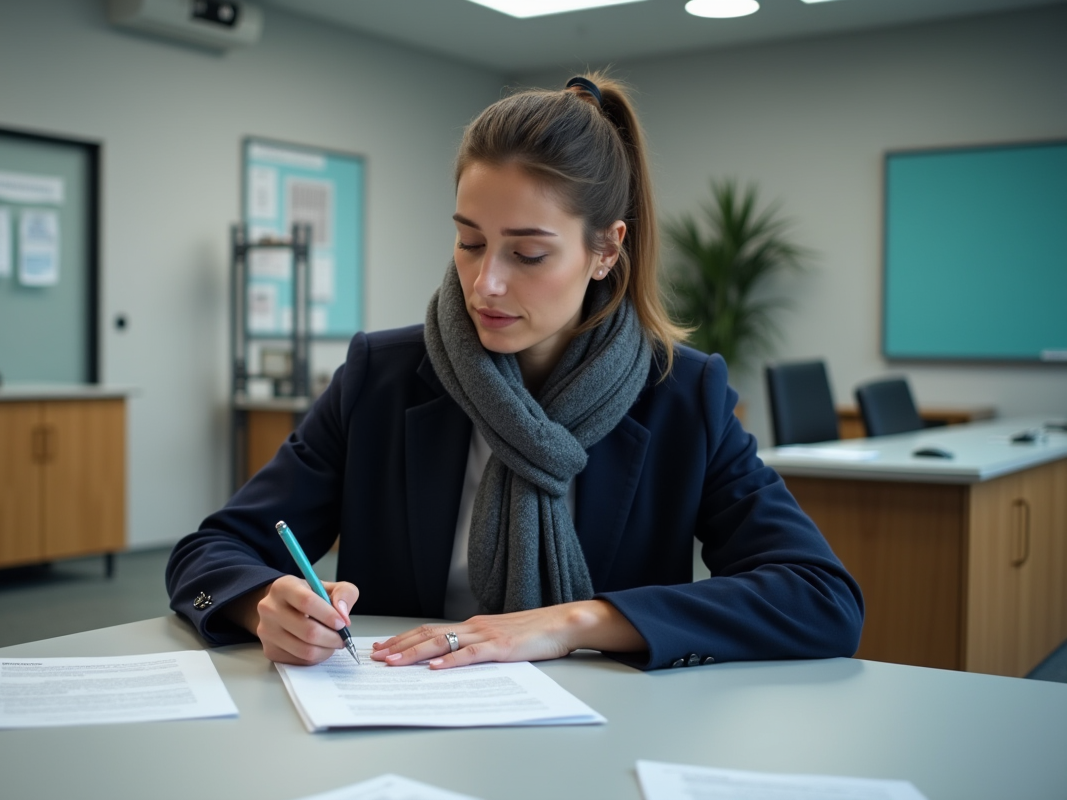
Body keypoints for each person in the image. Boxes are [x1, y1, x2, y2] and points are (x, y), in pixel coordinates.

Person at [166, 74, 863, 672]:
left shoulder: (683, 395)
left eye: (527, 254)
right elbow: (209, 554)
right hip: (400, 727)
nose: (485, 284)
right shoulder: (381, 376)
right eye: (470, 242)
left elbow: (821, 599)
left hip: (607, 740)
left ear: (605, 251)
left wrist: (571, 623)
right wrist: (262, 606)